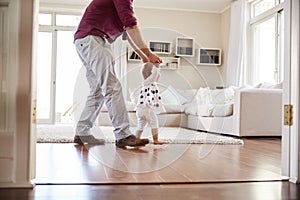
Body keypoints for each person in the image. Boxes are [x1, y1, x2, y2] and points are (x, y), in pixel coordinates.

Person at [73, 0, 162, 148]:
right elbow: (131, 25)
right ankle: (123, 135)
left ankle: (82, 133)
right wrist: (148, 53)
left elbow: (129, 32)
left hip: (85, 41)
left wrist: (144, 57)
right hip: (93, 39)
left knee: (97, 92)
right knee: (112, 87)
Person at [135, 62, 166, 145]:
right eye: (158, 73)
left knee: (140, 126)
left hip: (140, 109)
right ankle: (156, 140)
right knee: (154, 123)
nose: (159, 74)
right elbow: (155, 73)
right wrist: (157, 66)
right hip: (147, 108)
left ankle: (136, 139)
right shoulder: (149, 81)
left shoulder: (147, 83)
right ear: (152, 73)